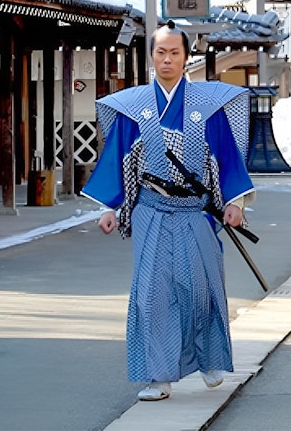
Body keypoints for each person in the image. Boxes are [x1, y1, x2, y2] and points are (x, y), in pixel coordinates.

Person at [81, 22, 255, 402]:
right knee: (152, 292)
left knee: (201, 287)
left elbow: (226, 156)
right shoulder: (134, 107)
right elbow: (118, 157)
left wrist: (234, 201)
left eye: (175, 53)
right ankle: (158, 376)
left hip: (196, 211)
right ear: (151, 58)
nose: (167, 59)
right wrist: (110, 207)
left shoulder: (207, 106)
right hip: (151, 208)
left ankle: (208, 358)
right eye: (160, 52)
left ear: (186, 58)